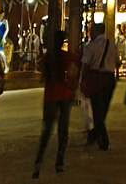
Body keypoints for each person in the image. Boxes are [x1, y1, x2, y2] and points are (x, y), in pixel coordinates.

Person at [33, 30, 77, 178]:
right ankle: (59, 162)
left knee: (46, 130)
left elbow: (42, 74)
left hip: (50, 96)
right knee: (63, 130)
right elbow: (72, 74)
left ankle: (38, 161)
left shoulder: (48, 58)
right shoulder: (67, 56)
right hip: (64, 94)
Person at [81, 23, 117, 150]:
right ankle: (94, 136)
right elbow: (117, 62)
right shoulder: (112, 44)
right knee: (103, 110)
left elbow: (85, 64)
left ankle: (103, 141)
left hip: (97, 78)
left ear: (96, 31)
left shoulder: (91, 46)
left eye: (91, 30)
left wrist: (82, 81)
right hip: (110, 79)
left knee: (97, 111)